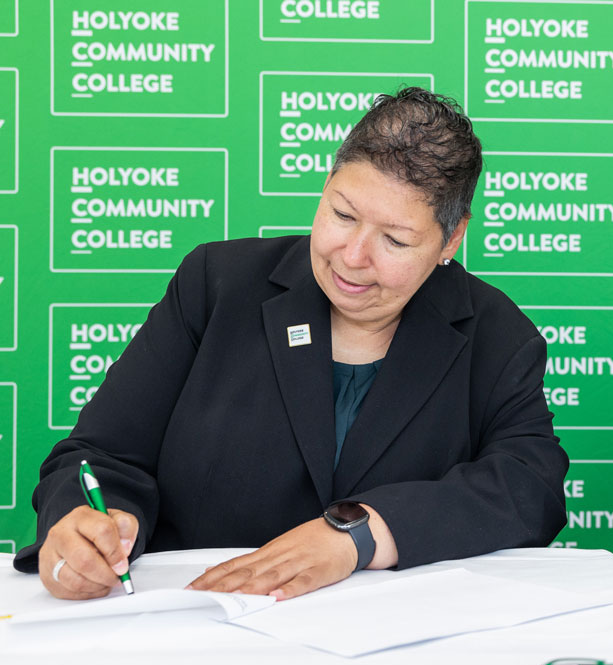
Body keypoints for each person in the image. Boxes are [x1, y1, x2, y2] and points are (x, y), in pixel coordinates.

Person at [16, 87, 569, 600]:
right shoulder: (216, 285)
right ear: (324, 189)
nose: (352, 256)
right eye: (342, 214)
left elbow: (528, 486)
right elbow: (101, 456)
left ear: (452, 238)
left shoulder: (497, 335)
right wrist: (87, 526)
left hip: (394, 652)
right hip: (201, 625)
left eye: (395, 240)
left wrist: (361, 533)